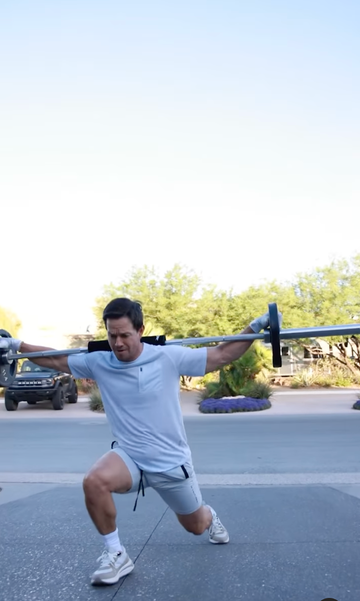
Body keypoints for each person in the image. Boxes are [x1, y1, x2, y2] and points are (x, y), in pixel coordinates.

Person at [0, 298, 278, 586]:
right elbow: (55, 358)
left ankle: (209, 514)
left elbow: (222, 354)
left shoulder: (167, 356)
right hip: (129, 457)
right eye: (111, 335)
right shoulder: (99, 361)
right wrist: (17, 345)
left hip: (171, 464)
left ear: (140, 330)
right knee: (94, 481)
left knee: (195, 526)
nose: (117, 343)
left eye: (124, 335)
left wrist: (257, 325)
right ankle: (116, 553)